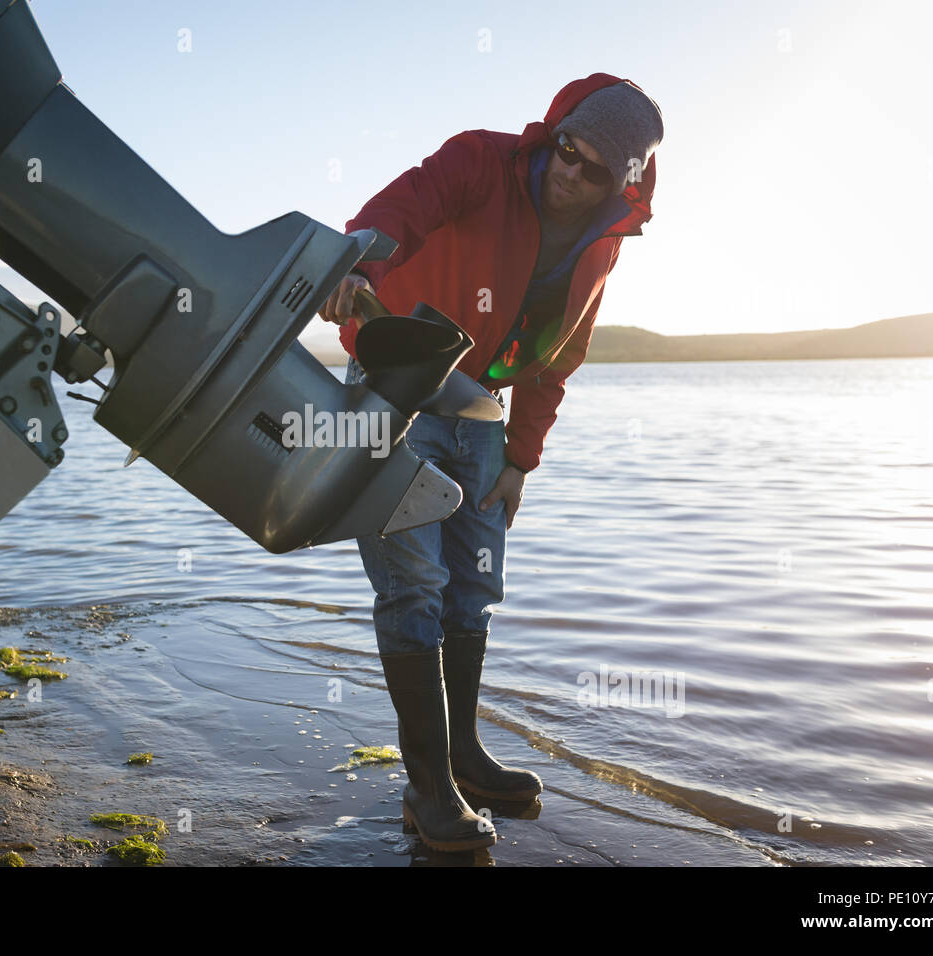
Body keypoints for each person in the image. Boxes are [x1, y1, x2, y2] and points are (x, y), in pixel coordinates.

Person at [318, 73, 663, 852]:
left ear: (624, 181)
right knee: (414, 586)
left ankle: (464, 757)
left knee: (472, 589)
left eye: (595, 169)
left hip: (481, 414)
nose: (569, 172)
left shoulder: (602, 245)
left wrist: (521, 461)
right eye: (567, 149)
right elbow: (407, 203)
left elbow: (561, 354)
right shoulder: (483, 161)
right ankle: (428, 787)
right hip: (394, 384)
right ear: (555, 134)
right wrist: (360, 266)